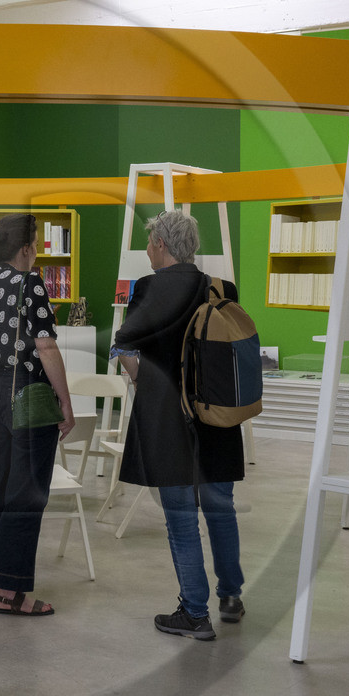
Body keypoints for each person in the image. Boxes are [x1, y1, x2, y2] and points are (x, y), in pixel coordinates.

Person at [111, 209, 246, 641]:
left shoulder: (148, 289)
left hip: (168, 419)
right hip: (218, 417)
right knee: (221, 509)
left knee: (181, 519)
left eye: (151, 242)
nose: (148, 250)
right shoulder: (221, 288)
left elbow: (125, 348)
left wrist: (141, 378)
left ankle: (193, 613)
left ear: (162, 245)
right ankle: (230, 596)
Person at [0, 213, 76, 616]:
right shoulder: (30, 284)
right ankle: (10, 594)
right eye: (36, 243)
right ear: (25, 248)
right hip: (28, 391)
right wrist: (65, 402)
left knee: (0, 488)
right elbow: (46, 347)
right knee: (26, 494)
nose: (37, 250)